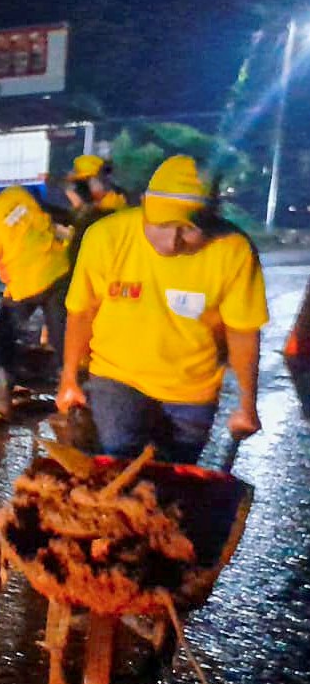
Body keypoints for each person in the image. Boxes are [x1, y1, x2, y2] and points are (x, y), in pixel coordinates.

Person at [55, 155, 266, 464]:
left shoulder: (233, 250)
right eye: (162, 225)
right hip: (117, 376)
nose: (172, 242)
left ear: (212, 219)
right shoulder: (106, 237)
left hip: (193, 389)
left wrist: (248, 403)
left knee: (174, 477)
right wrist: (70, 378)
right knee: (121, 462)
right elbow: (82, 311)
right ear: (143, 204)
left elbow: (243, 331)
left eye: (189, 230)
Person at [0, 173, 72, 417]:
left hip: (25, 285)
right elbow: (49, 218)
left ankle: (2, 403)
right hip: (58, 272)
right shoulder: (18, 193)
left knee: (1, 342)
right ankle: (72, 400)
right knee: (65, 344)